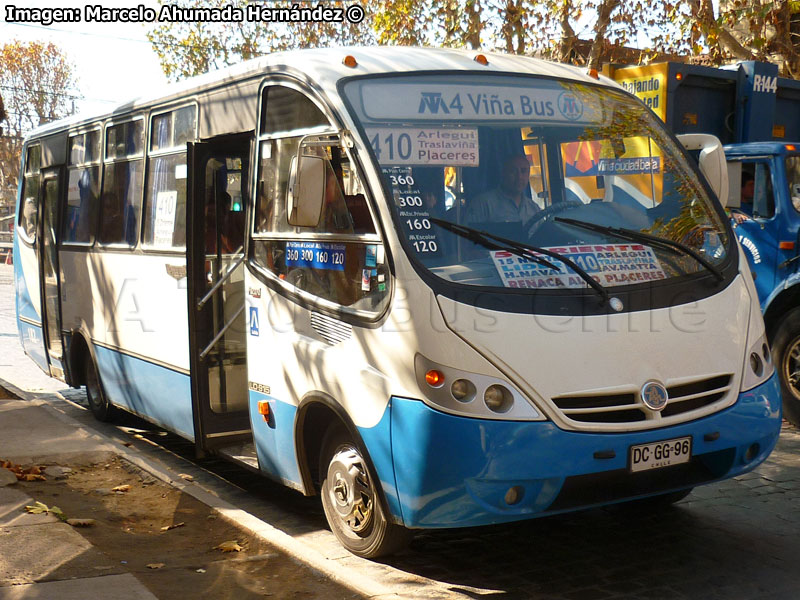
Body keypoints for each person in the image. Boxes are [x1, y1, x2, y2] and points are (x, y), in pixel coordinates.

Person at [465, 154, 540, 231]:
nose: (519, 177)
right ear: (503, 173)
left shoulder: (534, 208)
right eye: (513, 171)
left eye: (523, 171)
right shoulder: (483, 204)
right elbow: (469, 238)